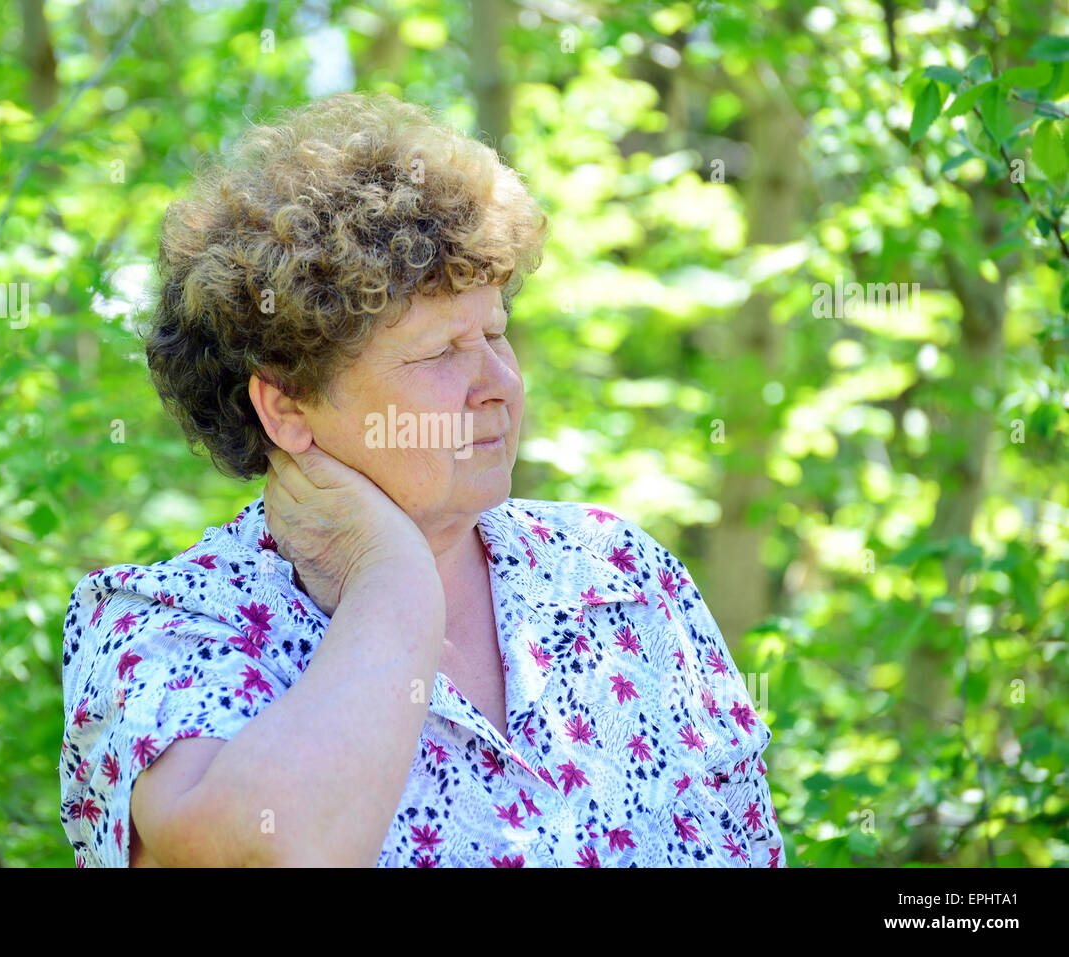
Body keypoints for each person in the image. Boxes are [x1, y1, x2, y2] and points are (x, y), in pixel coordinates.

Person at [58, 90, 786, 867]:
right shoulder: (168, 625)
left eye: (497, 332)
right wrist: (394, 578)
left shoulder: (618, 574)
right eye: (441, 352)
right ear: (287, 405)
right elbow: (265, 852)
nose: (499, 382)